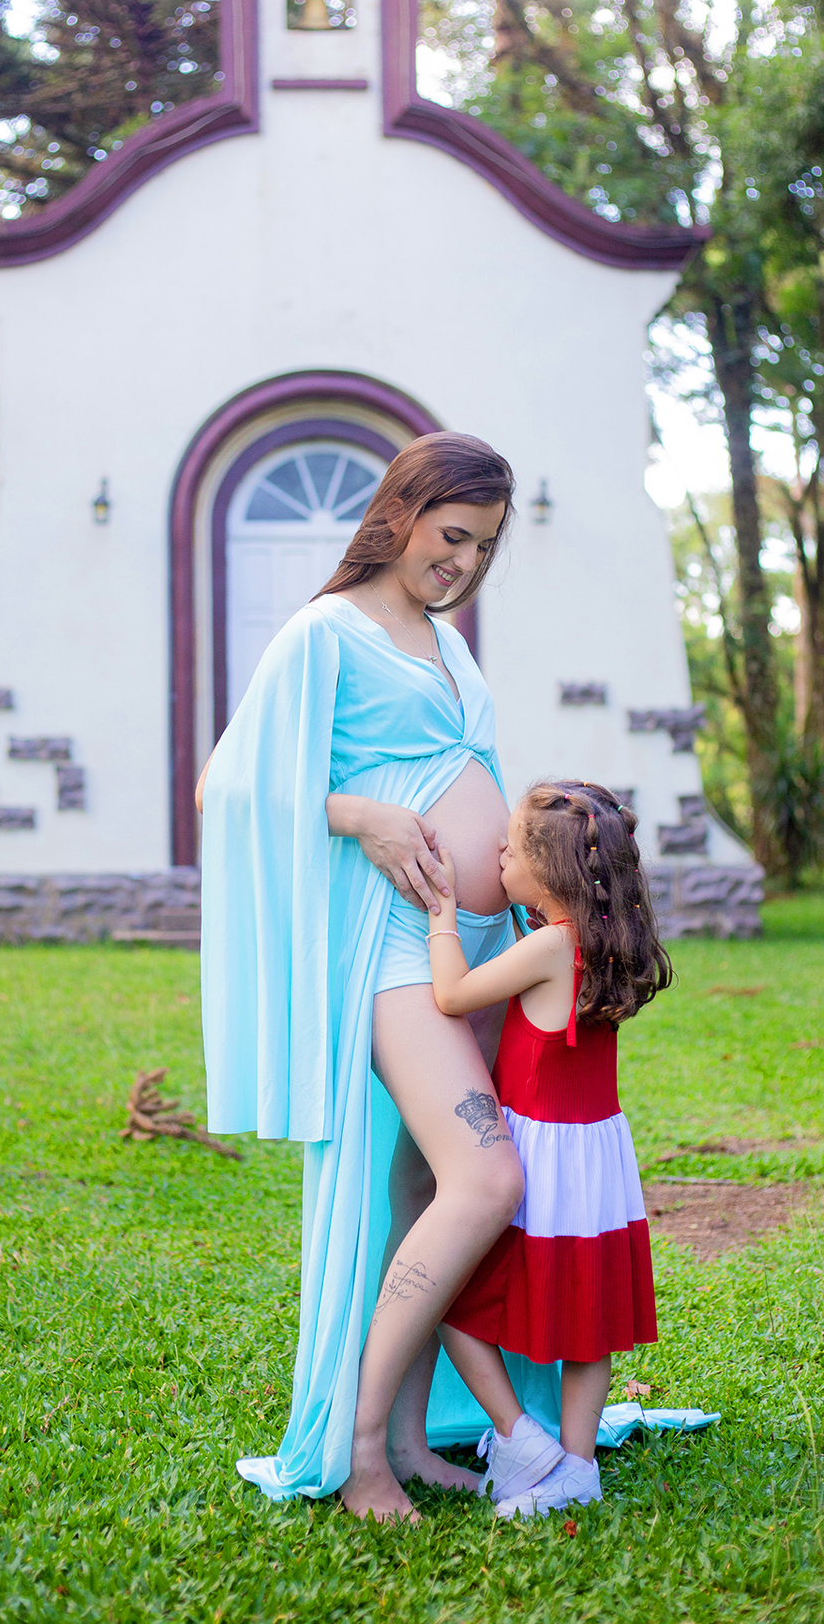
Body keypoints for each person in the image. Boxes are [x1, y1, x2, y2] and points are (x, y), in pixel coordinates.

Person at [197, 434, 564, 1522]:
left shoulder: (445, 640)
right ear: (400, 512)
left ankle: (412, 1436)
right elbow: (228, 785)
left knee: (422, 1193)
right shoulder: (326, 632)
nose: (463, 562)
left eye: (484, 547)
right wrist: (358, 814)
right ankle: (358, 1452)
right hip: (395, 950)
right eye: (453, 536)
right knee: (489, 1181)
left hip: (481, 953)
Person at [424, 780, 673, 1518]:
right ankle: (576, 1463)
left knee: (453, 1303)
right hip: (595, 1162)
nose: (496, 852)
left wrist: (444, 914)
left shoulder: (548, 947)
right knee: (585, 1324)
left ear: (547, 873)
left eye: (510, 847)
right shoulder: (604, 942)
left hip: (536, 1162)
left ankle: (520, 1439)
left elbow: (451, 994)